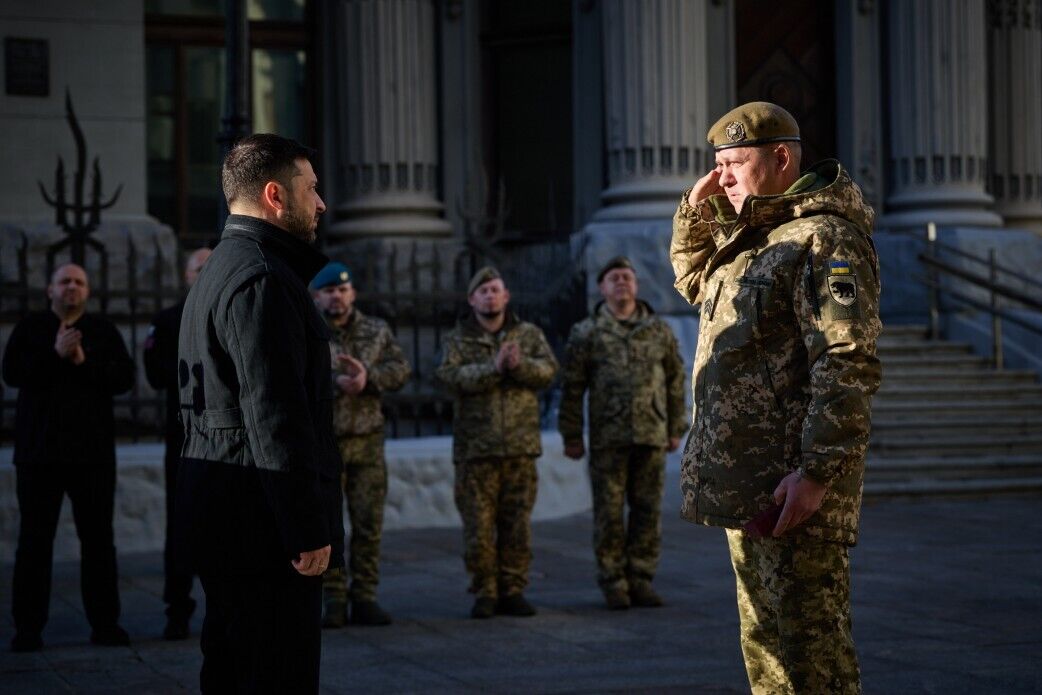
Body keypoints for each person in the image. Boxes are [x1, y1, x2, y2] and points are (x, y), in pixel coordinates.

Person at [670, 101, 882, 693]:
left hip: (795, 491)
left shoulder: (823, 238)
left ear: (782, 158)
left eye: (736, 163)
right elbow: (692, 278)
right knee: (765, 651)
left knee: (812, 656)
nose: (725, 178)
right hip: (748, 485)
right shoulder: (751, 238)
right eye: (719, 166)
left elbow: (847, 361)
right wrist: (695, 208)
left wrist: (816, 474)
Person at [177, 133, 343, 693]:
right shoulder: (262, 278)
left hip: (231, 509)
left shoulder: (227, 265)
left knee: (234, 664)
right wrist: (306, 528)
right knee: (273, 672)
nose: (320, 203)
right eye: (312, 189)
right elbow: (275, 414)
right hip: (260, 523)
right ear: (276, 195)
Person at [3, 263, 135, 651]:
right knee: (34, 543)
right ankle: (28, 628)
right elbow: (12, 373)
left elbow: (123, 378)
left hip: (91, 457)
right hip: (38, 456)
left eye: (78, 282)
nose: (71, 288)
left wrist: (82, 361)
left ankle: (105, 624)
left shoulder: (103, 331)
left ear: (88, 291)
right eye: (64, 282)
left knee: (98, 542)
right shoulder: (30, 329)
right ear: (50, 290)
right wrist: (54, 355)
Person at [558, 256, 686, 610]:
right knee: (609, 514)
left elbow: (676, 380)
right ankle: (613, 581)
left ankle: (641, 578)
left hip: (651, 434)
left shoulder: (658, 330)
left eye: (626, 277)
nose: (621, 283)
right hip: (607, 438)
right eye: (613, 278)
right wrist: (572, 435)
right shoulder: (587, 332)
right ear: (602, 288)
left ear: (636, 285)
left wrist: (677, 426)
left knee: (647, 510)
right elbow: (572, 387)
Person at [435, 267, 558, 619]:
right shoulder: (458, 339)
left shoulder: (527, 334)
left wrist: (518, 367)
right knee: (478, 527)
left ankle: (513, 589)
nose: (490, 295)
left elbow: (548, 371)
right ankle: (485, 590)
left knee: (517, 525)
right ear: (472, 299)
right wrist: (493, 368)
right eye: (483, 290)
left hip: (519, 448)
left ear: (506, 297)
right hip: (476, 452)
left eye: (495, 289)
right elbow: (446, 376)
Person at [309, 261, 411, 628]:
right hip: (328, 444)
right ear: (317, 296)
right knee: (328, 525)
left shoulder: (376, 329)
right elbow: (294, 375)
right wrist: (334, 380)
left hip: (368, 443)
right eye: (329, 291)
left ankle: (365, 596)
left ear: (352, 293)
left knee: (369, 523)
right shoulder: (309, 331)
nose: (337, 297)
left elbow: (401, 371)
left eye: (342, 290)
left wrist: (368, 379)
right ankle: (334, 598)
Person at [142, 247, 211, 640]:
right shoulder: (167, 321)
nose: (206, 272)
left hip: (227, 440)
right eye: (199, 267)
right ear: (186, 275)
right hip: (184, 438)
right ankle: (178, 609)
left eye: (212, 266)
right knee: (181, 528)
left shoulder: (232, 313)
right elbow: (156, 373)